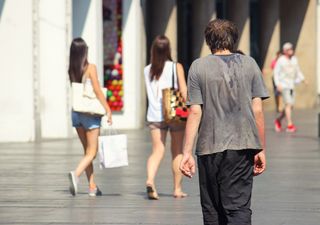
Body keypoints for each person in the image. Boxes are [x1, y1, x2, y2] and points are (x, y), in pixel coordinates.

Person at [179, 19, 269, 225]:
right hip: (243, 143)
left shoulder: (198, 67)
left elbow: (194, 112)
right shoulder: (250, 64)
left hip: (209, 146)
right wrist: (260, 148)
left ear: (208, 41)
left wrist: (186, 153)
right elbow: (258, 110)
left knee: (212, 208)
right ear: (234, 40)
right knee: (238, 207)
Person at [144, 35, 188, 200]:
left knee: (157, 151)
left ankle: (150, 180)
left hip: (155, 115)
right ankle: (177, 189)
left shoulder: (147, 70)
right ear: (168, 49)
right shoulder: (176, 67)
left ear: (153, 50)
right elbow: (183, 92)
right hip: (175, 113)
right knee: (177, 151)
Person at [67, 38, 112, 196]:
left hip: (76, 114)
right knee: (92, 152)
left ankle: (92, 187)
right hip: (90, 115)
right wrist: (108, 109)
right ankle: (76, 174)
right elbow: (98, 91)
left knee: (87, 152)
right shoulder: (90, 67)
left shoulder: (72, 69)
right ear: (84, 51)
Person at [274, 42, 306, 132]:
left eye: (291, 48)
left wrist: (303, 79)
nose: (291, 50)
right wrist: (278, 84)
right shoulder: (281, 60)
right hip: (284, 85)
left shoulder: (294, 60)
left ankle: (278, 120)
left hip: (291, 85)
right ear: (284, 51)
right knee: (288, 104)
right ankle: (289, 125)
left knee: (290, 106)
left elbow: (298, 70)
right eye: (288, 49)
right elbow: (276, 73)